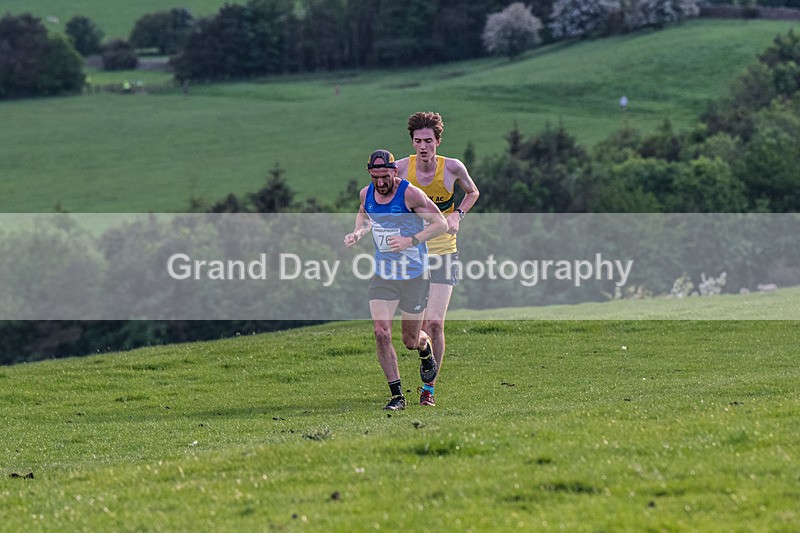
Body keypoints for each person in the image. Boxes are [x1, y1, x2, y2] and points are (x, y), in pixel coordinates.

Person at [344, 149, 448, 410]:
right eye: (374, 176)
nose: (380, 182)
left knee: (411, 341)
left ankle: (426, 352)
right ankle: (397, 396)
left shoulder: (410, 194)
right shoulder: (366, 194)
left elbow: (440, 224)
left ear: (394, 171)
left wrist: (410, 240)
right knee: (381, 332)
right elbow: (366, 216)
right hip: (384, 274)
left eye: (384, 176)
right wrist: (358, 233)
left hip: (414, 275)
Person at [396, 112, 480, 407]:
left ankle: (428, 390)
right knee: (411, 335)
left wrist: (458, 214)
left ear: (438, 142)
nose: (423, 146)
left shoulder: (453, 168)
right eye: (418, 141)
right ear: (412, 142)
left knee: (435, 323)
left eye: (428, 141)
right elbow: (378, 195)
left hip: (444, 250)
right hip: (411, 255)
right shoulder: (400, 169)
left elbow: (472, 192)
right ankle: (424, 351)